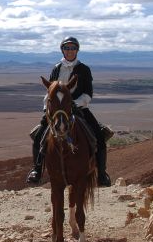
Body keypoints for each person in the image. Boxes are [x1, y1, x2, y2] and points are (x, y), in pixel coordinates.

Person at [26, 37, 112, 187]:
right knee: (39, 134)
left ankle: (102, 173)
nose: (70, 51)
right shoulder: (56, 68)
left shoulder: (84, 69)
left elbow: (88, 94)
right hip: (57, 110)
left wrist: (73, 104)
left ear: (77, 50)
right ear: (62, 50)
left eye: (73, 48)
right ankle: (37, 170)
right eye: (67, 48)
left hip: (79, 109)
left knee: (98, 135)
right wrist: (47, 106)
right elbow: (50, 92)